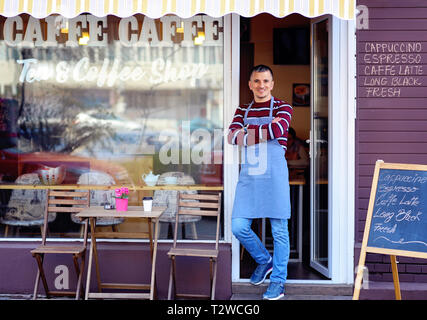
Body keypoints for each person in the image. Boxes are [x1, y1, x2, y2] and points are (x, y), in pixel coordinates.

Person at [227, 64, 293, 300]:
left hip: (274, 176)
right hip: (250, 177)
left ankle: (278, 282)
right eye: (256, 81)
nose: (261, 85)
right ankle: (265, 260)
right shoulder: (242, 108)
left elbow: (279, 128)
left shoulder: (283, 107)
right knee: (238, 226)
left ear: (272, 84)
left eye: (265, 81)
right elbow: (231, 136)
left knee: (279, 231)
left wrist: (248, 133)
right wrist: (262, 130)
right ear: (250, 84)